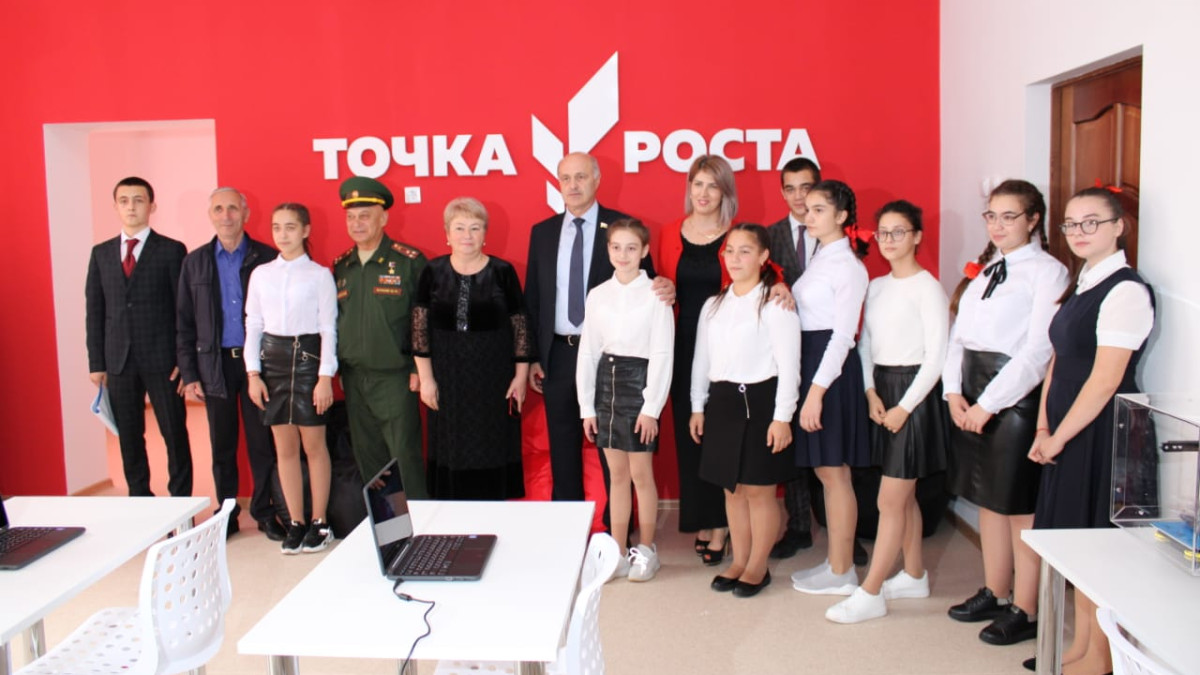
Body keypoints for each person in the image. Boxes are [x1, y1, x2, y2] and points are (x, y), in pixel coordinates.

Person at [1026, 186, 1153, 675]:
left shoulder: (1126, 290)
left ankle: (1100, 657)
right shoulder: (1082, 284)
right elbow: (1058, 362)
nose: (1079, 232)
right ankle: (1080, 646)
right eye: (1071, 224)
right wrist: (1044, 425)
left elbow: (1104, 381)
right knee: (1076, 544)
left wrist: (1059, 437)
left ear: (1119, 226)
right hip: (1067, 428)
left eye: (1091, 222)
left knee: (1098, 546)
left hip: (1104, 432)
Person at [942, 180, 1068, 646]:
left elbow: (1037, 351)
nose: (997, 225)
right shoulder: (987, 268)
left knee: (1018, 507)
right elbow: (958, 336)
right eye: (991, 216)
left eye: (1009, 216)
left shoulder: (1048, 272)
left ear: (1033, 220)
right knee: (988, 500)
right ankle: (996, 591)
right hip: (971, 390)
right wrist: (952, 392)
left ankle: (1026, 608)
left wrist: (988, 404)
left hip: (1015, 397)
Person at [525, 152, 672, 522]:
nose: (572, 185)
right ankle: (567, 525)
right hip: (558, 354)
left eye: (580, 177)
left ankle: (616, 531)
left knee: (614, 449)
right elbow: (533, 299)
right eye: (565, 178)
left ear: (596, 179)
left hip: (611, 360)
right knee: (562, 446)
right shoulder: (542, 233)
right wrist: (532, 357)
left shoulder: (620, 229)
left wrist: (667, 287)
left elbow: (648, 282)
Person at [825, 200, 950, 623]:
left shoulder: (928, 288)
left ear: (917, 236)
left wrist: (904, 407)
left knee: (890, 499)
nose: (890, 240)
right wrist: (870, 391)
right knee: (903, 495)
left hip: (915, 396)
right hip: (883, 390)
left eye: (899, 232)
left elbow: (936, 358)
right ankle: (914, 575)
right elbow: (864, 345)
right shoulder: (877, 286)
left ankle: (871, 591)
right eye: (883, 233)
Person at [690, 223, 800, 598]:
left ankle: (757, 566)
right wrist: (697, 405)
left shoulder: (775, 304)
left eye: (745, 251)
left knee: (758, 491)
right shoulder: (713, 305)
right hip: (723, 402)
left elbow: (790, 366)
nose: (735, 259)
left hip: (762, 401)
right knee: (732, 490)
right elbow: (701, 359)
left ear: (764, 256)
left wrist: (782, 418)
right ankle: (738, 560)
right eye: (730, 251)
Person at [177, 187, 282, 539]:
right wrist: (190, 372)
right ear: (210, 215)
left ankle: (265, 512)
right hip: (215, 365)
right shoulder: (195, 262)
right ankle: (227, 515)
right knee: (222, 446)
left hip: (258, 366)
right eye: (219, 209)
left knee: (261, 443)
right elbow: (184, 322)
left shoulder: (267, 258)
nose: (226, 216)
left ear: (246, 214)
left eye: (233, 208)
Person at [412, 197, 532, 500]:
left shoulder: (503, 272)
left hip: (494, 381)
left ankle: (492, 515)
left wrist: (520, 377)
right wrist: (426, 379)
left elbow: (520, 326)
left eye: (475, 228)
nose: (467, 235)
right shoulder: (432, 272)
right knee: (451, 448)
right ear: (447, 234)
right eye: (460, 228)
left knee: (492, 446)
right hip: (447, 379)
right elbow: (419, 329)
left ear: (485, 234)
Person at [577, 219, 674, 582]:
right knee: (616, 475)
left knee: (640, 474)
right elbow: (588, 352)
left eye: (632, 248)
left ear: (644, 251)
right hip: (607, 384)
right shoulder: (598, 294)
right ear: (608, 250)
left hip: (640, 383)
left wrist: (651, 408)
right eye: (616, 247)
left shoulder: (656, 294)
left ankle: (646, 549)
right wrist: (587, 406)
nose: (623, 255)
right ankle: (618, 552)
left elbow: (662, 353)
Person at [85, 176, 192, 497]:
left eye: (138, 200)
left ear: (152, 206)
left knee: (174, 434)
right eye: (124, 201)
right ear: (115, 206)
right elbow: (95, 311)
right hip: (118, 361)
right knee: (129, 437)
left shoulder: (171, 250)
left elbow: (183, 309)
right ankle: (140, 498)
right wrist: (97, 363)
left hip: (164, 361)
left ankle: (180, 504)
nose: (131, 207)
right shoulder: (101, 253)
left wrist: (184, 360)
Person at [790, 179, 871, 597]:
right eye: (808, 208)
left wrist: (816, 392)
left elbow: (843, 336)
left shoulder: (848, 266)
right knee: (825, 471)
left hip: (831, 372)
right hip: (812, 363)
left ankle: (843, 570)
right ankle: (836, 562)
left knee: (835, 473)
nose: (809, 215)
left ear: (841, 216)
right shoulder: (822, 257)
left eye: (819, 209)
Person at [657, 154, 738, 565]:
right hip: (681, 343)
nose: (703, 193)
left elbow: (760, 279)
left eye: (712, 185)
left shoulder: (737, 234)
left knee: (719, 435)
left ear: (725, 192)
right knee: (690, 435)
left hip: (724, 348)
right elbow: (657, 280)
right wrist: (661, 285)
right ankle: (702, 517)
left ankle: (721, 523)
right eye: (697, 184)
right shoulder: (669, 231)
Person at [245, 203, 338, 554]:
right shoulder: (261, 274)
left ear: (305, 231)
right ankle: (296, 522)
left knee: (314, 446)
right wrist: (253, 373)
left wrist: (325, 377)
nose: (282, 234)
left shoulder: (319, 275)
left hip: (309, 361)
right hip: (273, 363)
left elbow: (328, 328)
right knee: (284, 449)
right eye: (276, 227)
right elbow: (253, 324)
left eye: (290, 227)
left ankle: (320, 522)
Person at [333, 177, 429, 496]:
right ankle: (385, 523)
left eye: (365, 216)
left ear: (383, 218)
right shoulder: (342, 266)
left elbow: (424, 319)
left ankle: (419, 519)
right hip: (354, 378)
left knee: (405, 456)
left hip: (395, 378)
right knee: (369, 460)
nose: (356, 223)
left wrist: (418, 368)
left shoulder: (408, 262)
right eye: (351, 217)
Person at [765, 156, 820, 560]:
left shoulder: (838, 235)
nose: (799, 196)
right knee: (793, 442)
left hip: (827, 348)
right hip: (782, 351)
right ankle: (798, 526)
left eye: (806, 187)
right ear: (782, 192)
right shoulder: (768, 236)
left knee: (832, 444)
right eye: (791, 188)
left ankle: (844, 529)